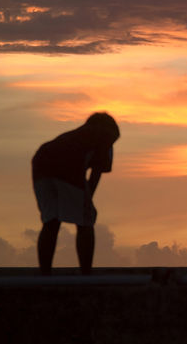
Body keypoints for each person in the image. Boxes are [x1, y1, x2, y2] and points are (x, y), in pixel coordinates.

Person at [31, 112, 120, 275]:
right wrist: (86, 202)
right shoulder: (104, 135)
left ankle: (44, 275)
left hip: (40, 162)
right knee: (86, 221)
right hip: (67, 165)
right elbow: (96, 173)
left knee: (51, 221)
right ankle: (86, 273)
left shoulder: (75, 135)